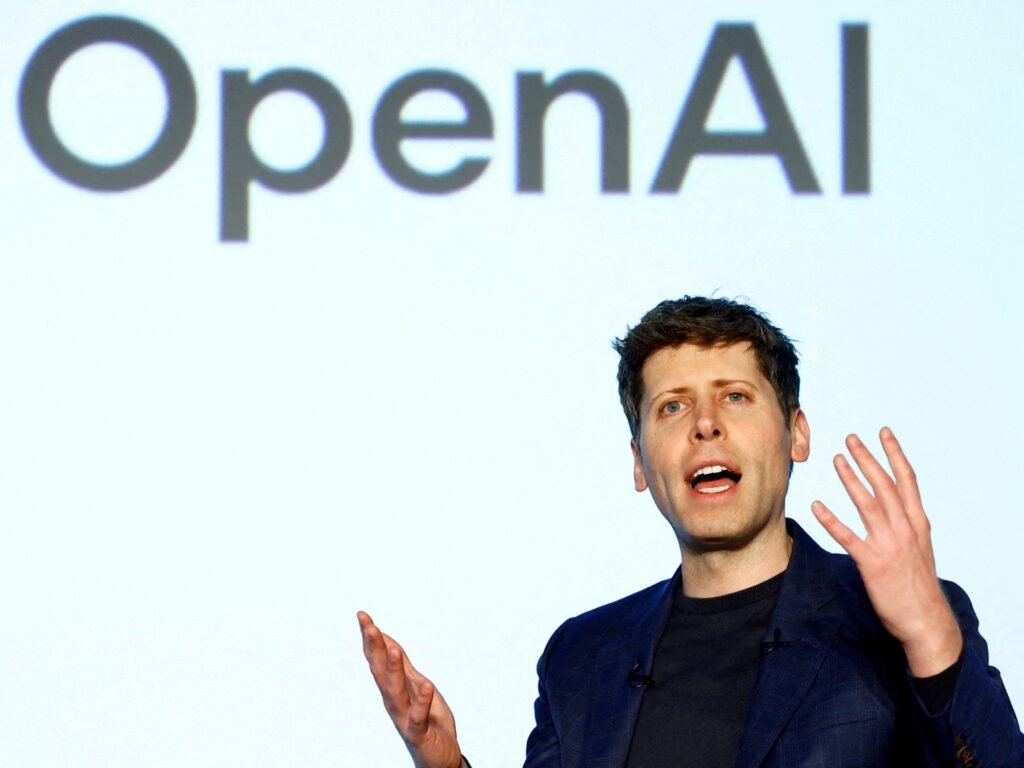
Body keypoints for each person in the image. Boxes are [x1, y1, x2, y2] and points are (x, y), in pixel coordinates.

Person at [359, 296, 1023, 767]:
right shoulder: (582, 655)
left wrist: (929, 636)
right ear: (640, 462)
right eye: (672, 407)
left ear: (796, 433)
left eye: (735, 396)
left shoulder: (903, 619)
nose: (705, 424)